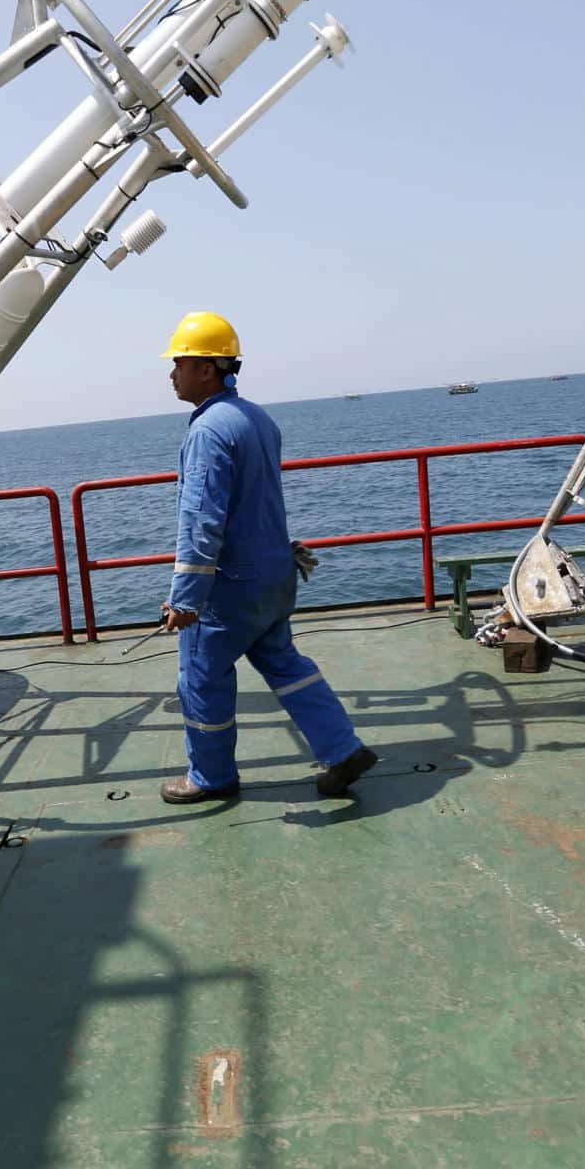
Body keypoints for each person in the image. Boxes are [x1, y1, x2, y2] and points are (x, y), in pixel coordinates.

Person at [157, 311, 378, 804]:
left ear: (208, 369)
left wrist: (185, 599)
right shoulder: (257, 418)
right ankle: (342, 748)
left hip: (228, 590)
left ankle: (210, 777)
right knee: (283, 662)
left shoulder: (208, 431)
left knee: (201, 676)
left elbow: (201, 520)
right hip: (273, 577)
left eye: (180, 363)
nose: (172, 374)